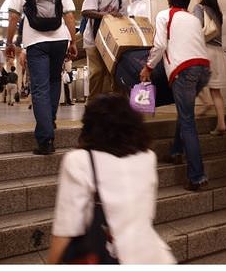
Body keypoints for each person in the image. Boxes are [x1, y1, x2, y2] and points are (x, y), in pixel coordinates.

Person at [48, 93, 176, 264]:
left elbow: (66, 229)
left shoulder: (79, 160)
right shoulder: (148, 156)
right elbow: (148, 215)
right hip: (154, 257)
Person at [5, 0, 77, 155]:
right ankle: (50, 121)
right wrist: (72, 41)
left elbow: (13, 16)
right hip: (60, 40)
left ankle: (45, 140)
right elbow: (70, 16)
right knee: (54, 82)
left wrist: (10, 42)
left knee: (40, 88)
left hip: (36, 42)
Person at [140, 0, 210, 191]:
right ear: (187, 2)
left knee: (188, 121)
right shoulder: (194, 19)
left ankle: (197, 176)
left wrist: (147, 67)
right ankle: (175, 152)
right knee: (185, 113)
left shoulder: (165, 15)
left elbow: (160, 44)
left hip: (184, 70)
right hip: (203, 69)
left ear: (170, 1)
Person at [81, 0, 128, 98]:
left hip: (110, 43)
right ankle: (92, 104)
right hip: (92, 40)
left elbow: (124, 20)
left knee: (111, 72)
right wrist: (107, 15)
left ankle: (107, 104)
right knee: (97, 71)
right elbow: (85, 12)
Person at [192, 0, 226, 135]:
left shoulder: (199, 8)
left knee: (191, 79)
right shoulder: (217, 12)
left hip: (205, 50)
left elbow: (195, 28)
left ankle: (204, 102)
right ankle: (221, 123)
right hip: (218, 52)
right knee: (216, 91)